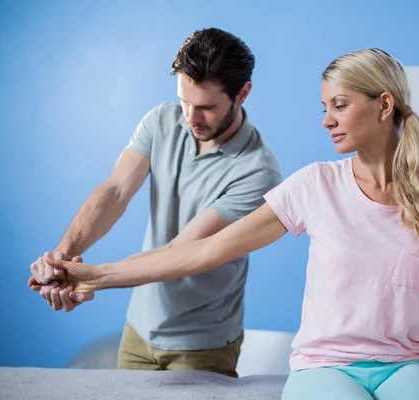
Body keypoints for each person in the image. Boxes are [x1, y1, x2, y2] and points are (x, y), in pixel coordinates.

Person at [39, 48, 419, 399]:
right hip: (325, 366)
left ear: (383, 105)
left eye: (339, 106)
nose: (326, 120)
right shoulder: (315, 185)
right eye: (324, 106)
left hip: (408, 366)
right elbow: (205, 250)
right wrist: (93, 275)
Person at [28, 27, 282, 376]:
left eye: (206, 107)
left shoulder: (258, 171)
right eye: (185, 101)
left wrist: (93, 278)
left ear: (242, 94)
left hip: (201, 346)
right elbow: (115, 190)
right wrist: (61, 257)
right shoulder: (162, 120)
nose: (191, 118)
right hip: (138, 330)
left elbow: (182, 252)